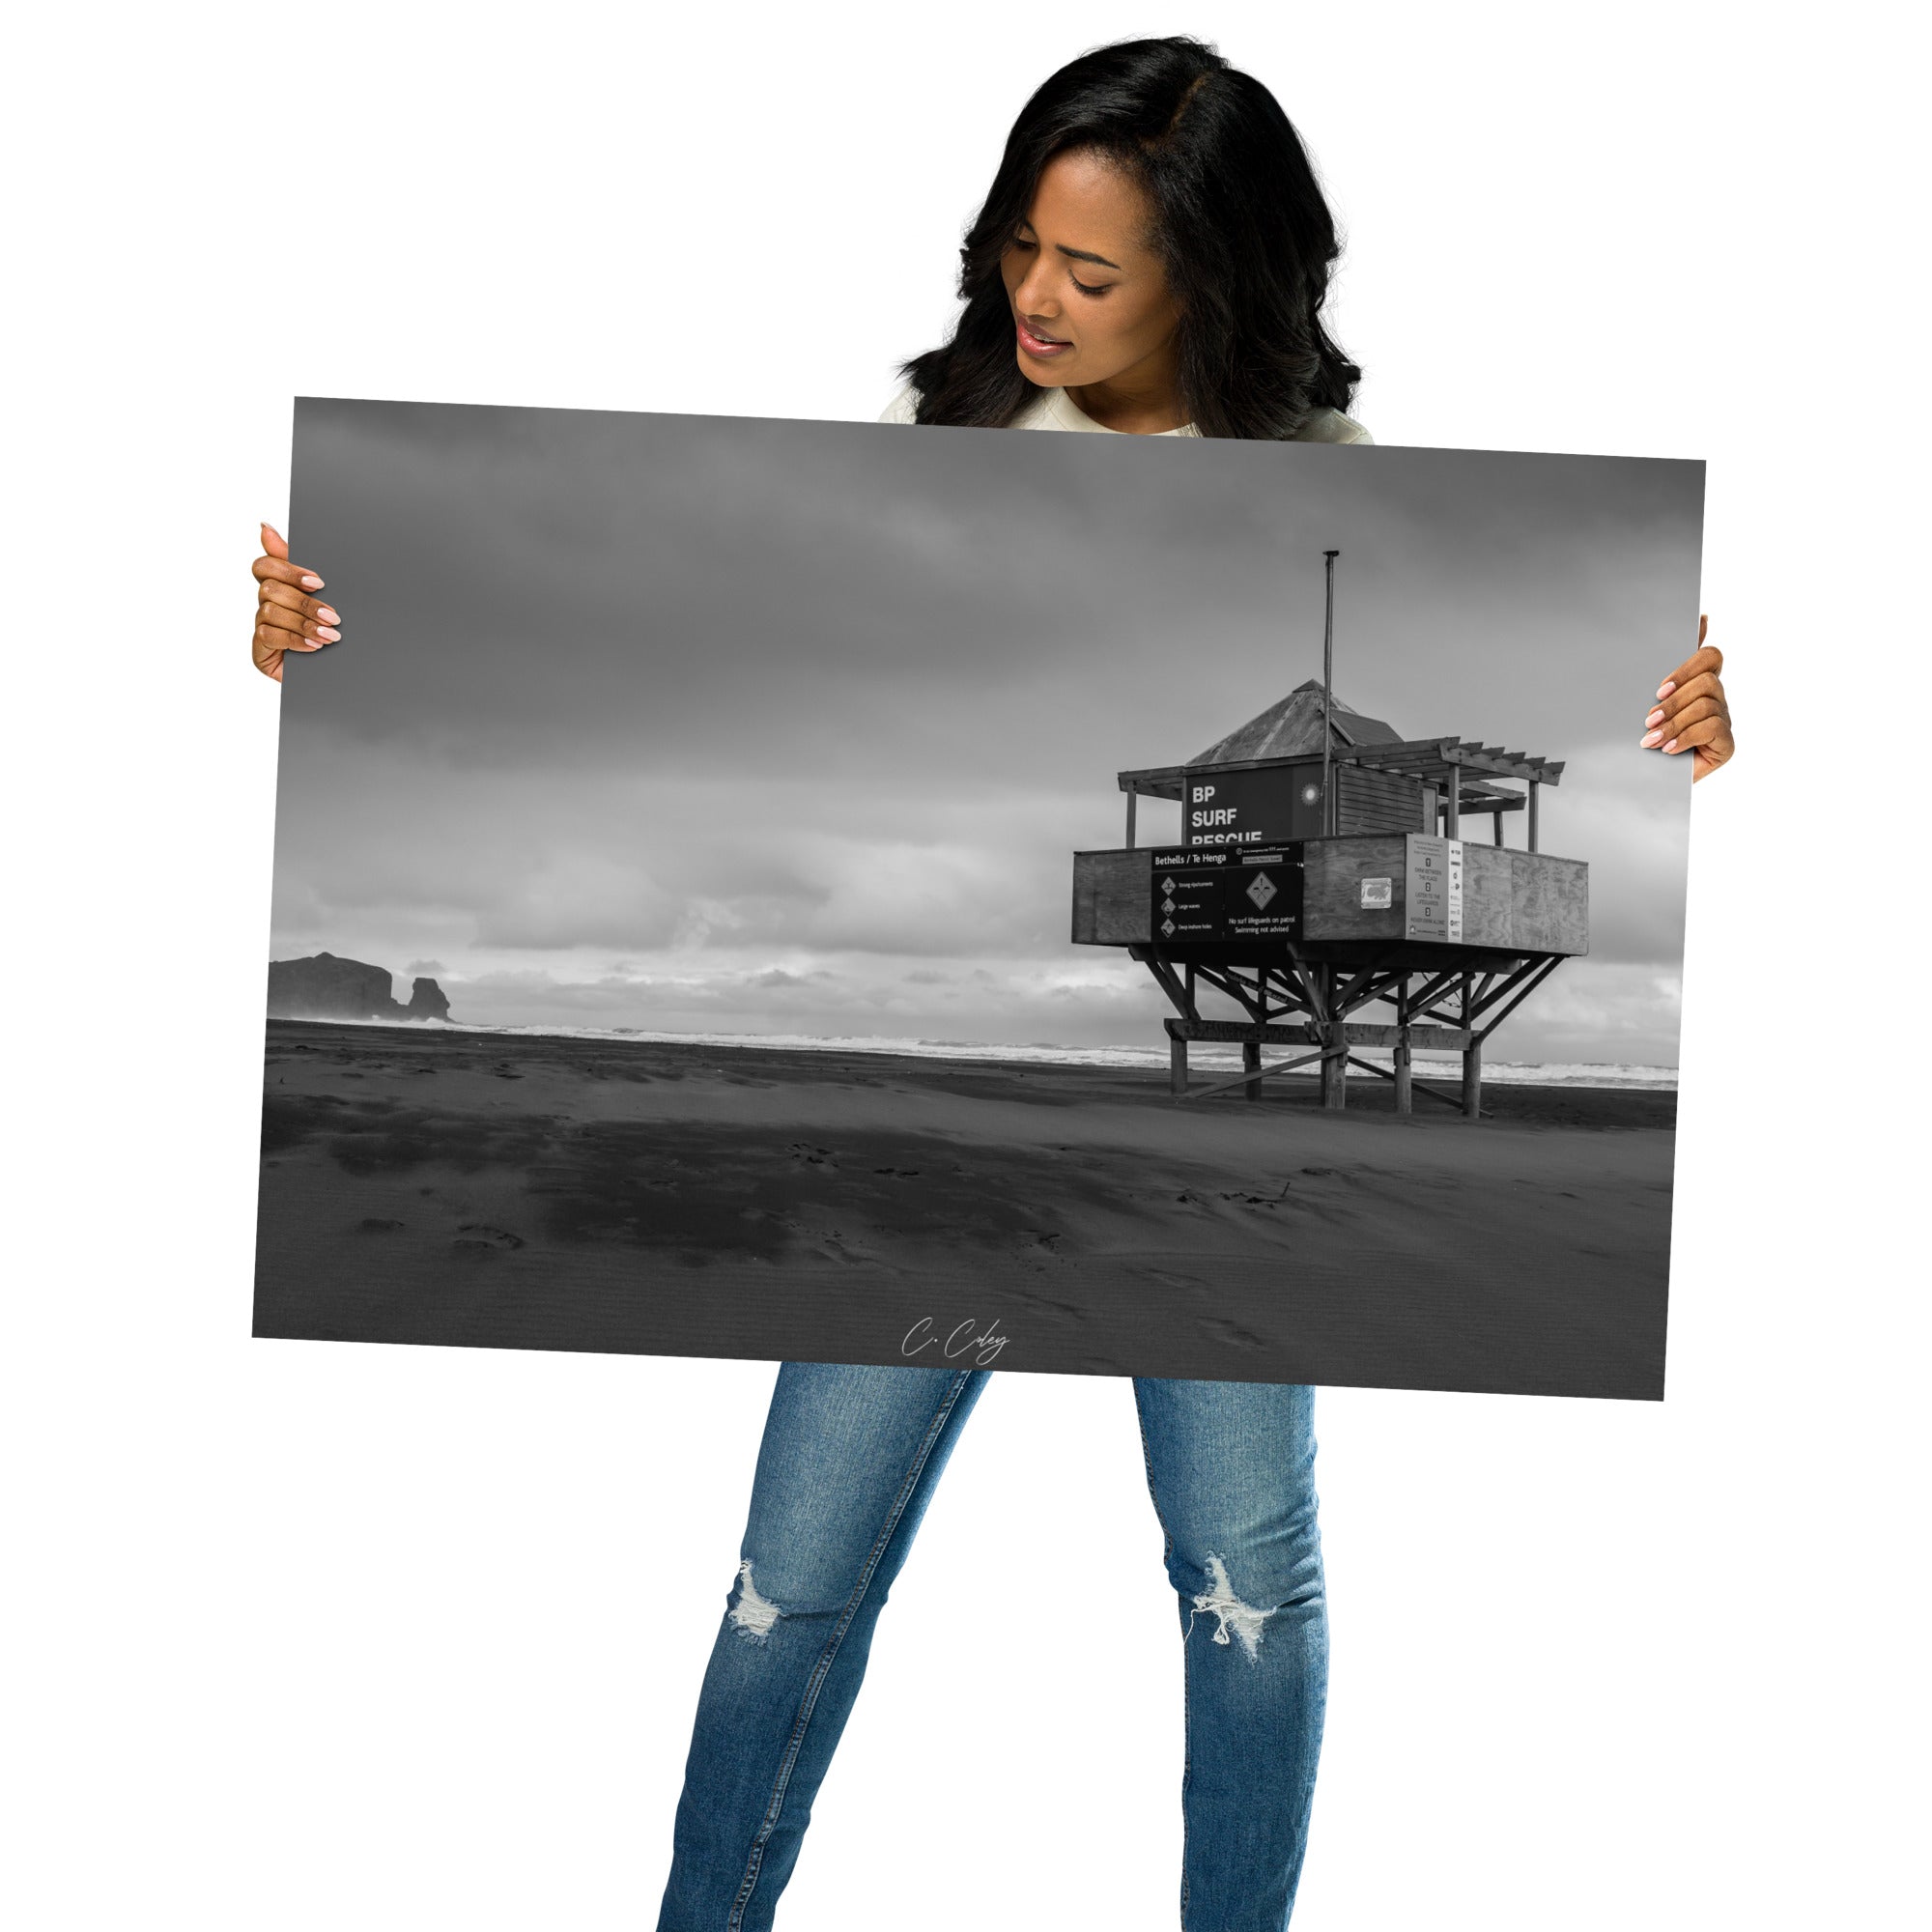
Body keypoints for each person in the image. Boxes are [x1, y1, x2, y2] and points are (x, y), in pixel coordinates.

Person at [246, 37, 1734, 1930]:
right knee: (790, 1578)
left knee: (1243, 1579)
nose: (1035, 297)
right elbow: (762, 635)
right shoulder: (936, 436)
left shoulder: (1334, 477)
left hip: (1224, 1177)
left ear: (1222, 273)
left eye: (1091, 272)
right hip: (968, 1196)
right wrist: (315, 635)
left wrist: (1703, 727)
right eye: (1019, 245)